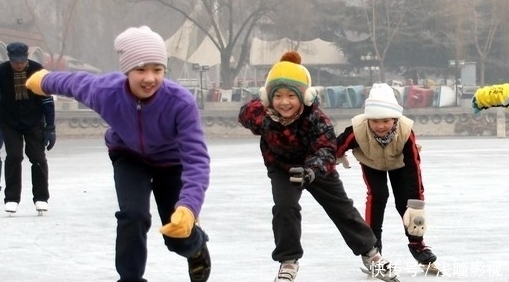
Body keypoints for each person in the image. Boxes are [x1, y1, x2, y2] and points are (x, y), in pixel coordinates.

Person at [25, 26, 211, 282]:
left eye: (157, 70)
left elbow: (196, 159)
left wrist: (189, 207)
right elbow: (72, 83)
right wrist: (43, 80)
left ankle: (196, 246)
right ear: (127, 71)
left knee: (176, 236)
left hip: (171, 162)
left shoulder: (180, 103)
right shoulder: (106, 90)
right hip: (128, 156)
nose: (149, 78)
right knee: (132, 216)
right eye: (141, 70)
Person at [238, 51, 397, 282]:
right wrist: (260, 102)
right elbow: (244, 115)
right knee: (285, 208)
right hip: (282, 168)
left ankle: (371, 254)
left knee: (342, 209)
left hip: (315, 168)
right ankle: (288, 262)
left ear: (304, 97)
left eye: (291, 95)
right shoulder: (263, 116)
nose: (284, 102)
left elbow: (326, 150)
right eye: (278, 95)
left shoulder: (316, 118)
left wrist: (311, 171)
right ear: (269, 98)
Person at [336, 83, 439, 269]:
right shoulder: (358, 129)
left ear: (395, 119)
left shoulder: (405, 131)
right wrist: (334, 157)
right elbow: (337, 145)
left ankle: (417, 245)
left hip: (399, 165)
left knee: (405, 202)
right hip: (371, 163)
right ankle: (373, 246)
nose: (380, 126)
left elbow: (413, 167)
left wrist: (417, 202)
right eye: (374, 121)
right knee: (378, 196)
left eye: (386, 121)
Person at [0, 42, 56, 214]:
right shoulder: (1, 72)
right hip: (9, 121)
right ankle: (11, 198)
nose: (19, 65)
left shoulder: (37, 71)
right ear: (10, 59)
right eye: (15, 62)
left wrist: (50, 127)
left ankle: (41, 198)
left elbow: (47, 101)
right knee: (14, 156)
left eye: (22, 61)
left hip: (33, 120)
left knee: (37, 157)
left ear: (26, 58)